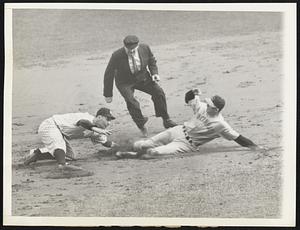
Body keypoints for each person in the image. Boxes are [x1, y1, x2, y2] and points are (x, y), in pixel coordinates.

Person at [116, 89, 266, 159]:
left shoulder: (221, 125)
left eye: (210, 105)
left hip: (186, 144)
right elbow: (188, 98)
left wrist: (254, 146)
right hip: (177, 130)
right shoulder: (201, 106)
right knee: (141, 144)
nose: (206, 105)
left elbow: (238, 138)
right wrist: (192, 91)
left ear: (216, 109)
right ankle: (125, 149)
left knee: (153, 152)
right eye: (207, 103)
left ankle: (132, 155)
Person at [103, 35, 177, 137]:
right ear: (125, 46)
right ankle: (141, 125)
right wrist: (108, 94)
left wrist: (154, 73)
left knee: (158, 92)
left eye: (134, 49)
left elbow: (151, 60)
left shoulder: (145, 48)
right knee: (131, 102)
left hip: (143, 78)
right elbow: (109, 73)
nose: (131, 51)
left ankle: (166, 119)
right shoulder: (116, 55)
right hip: (124, 82)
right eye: (129, 50)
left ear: (138, 45)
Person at [24, 107, 117, 170]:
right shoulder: (86, 117)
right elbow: (82, 122)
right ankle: (62, 166)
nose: (109, 123)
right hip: (50, 125)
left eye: (110, 120)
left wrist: (122, 147)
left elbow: (106, 142)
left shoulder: (98, 131)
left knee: (70, 156)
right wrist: (94, 128)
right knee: (59, 147)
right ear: (99, 117)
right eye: (107, 119)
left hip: (59, 132)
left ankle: (37, 154)